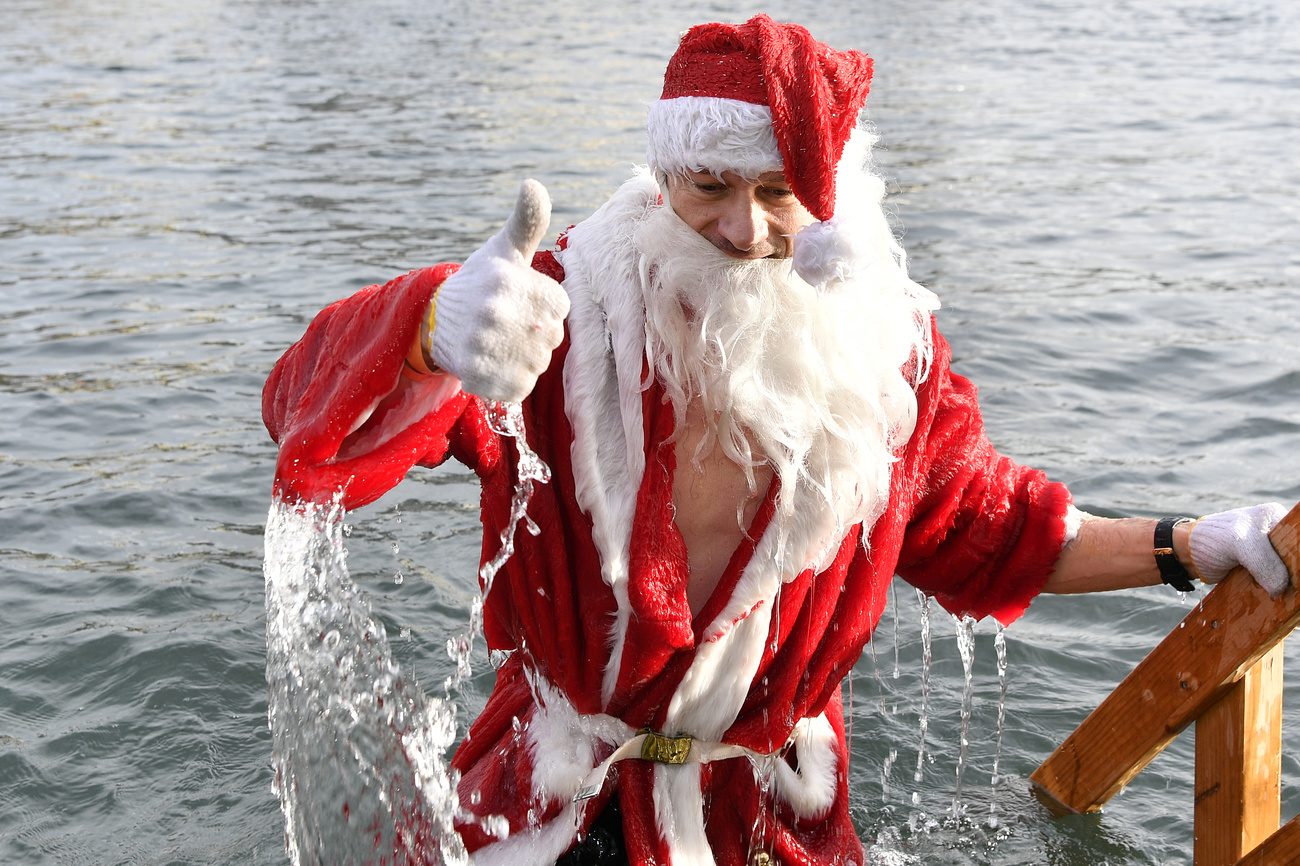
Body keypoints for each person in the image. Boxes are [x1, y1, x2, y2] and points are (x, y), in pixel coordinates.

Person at [262, 15, 1291, 866]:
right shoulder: (552, 310)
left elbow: (986, 527)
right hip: (548, 801)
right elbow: (300, 414)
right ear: (664, 175)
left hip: (763, 818)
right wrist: (428, 331)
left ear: (830, 192)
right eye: (708, 185)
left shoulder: (886, 353)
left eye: (778, 194)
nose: (743, 230)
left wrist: (1187, 543)